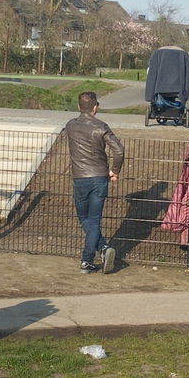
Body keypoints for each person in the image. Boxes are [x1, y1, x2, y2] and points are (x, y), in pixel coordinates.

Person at [63, 90, 124, 274]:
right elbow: (119, 150)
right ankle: (101, 250)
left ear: (78, 106)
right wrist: (114, 170)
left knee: (84, 218)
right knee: (94, 219)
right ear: (95, 107)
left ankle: (88, 259)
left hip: (80, 177)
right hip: (99, 177)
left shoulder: (70, 125)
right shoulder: (101, 126)